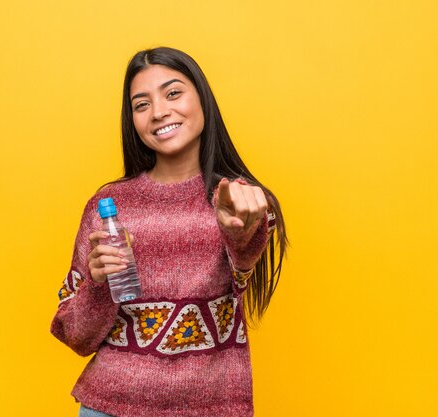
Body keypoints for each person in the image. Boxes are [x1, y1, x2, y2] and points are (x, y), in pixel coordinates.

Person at [51, 46, 287, 417]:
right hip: (109, 406)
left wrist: (240, 232)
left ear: (203, 99)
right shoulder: (109, 204)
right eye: (141, 104)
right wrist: (97, 284)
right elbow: (75, 336)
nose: (159, 112)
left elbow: (244, 267)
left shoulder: (239, 199)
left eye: (173, 93)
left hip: (211, 406)